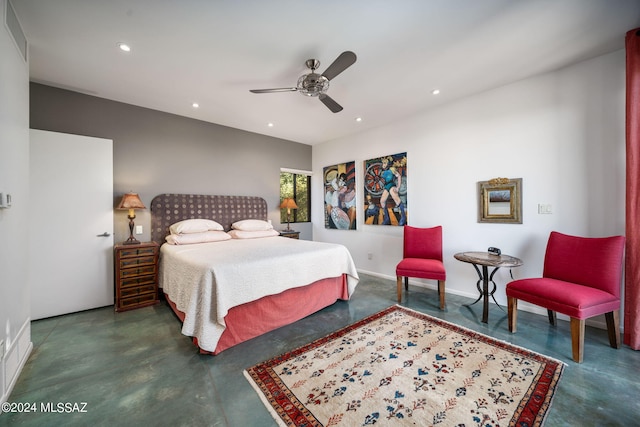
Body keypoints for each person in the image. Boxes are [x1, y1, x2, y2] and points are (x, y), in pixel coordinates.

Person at [379, 157, 406, 225]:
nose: (383, 164)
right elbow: (382, 181)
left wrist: (398, 187)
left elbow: (399, 176)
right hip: (386, 186)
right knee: (382, 201)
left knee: (397, 200)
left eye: (385, 163)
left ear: (388, 164)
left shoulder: (392, 169)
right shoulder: (383, 172)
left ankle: (403, 217)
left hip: (391, 185)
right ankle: (387, 218)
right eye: (383, 163)